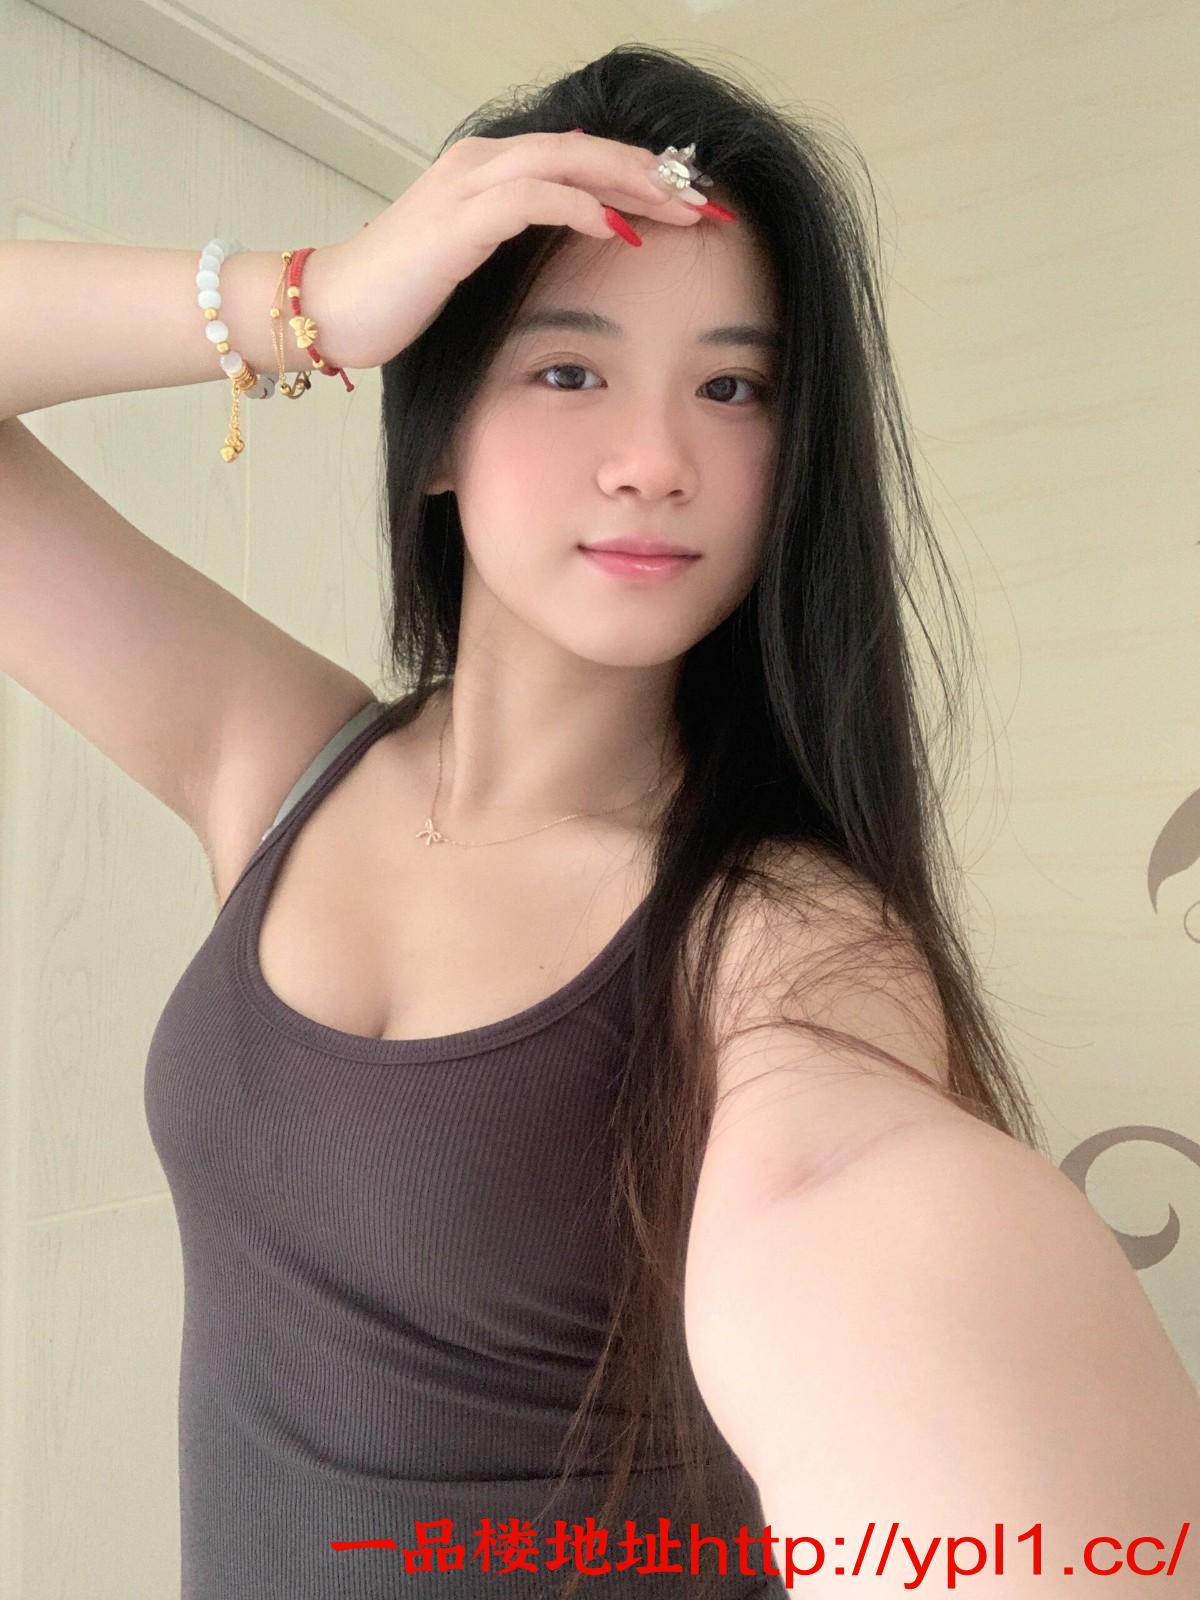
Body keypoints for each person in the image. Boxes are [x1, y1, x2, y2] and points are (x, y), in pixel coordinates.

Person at [3, 41, 1197, 1600]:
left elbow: (858, 1202)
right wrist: (324, 296)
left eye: (733, 387)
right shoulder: (278, 764)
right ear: (437, 431)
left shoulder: (781, 944)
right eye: (569, 371)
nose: (654, 462)